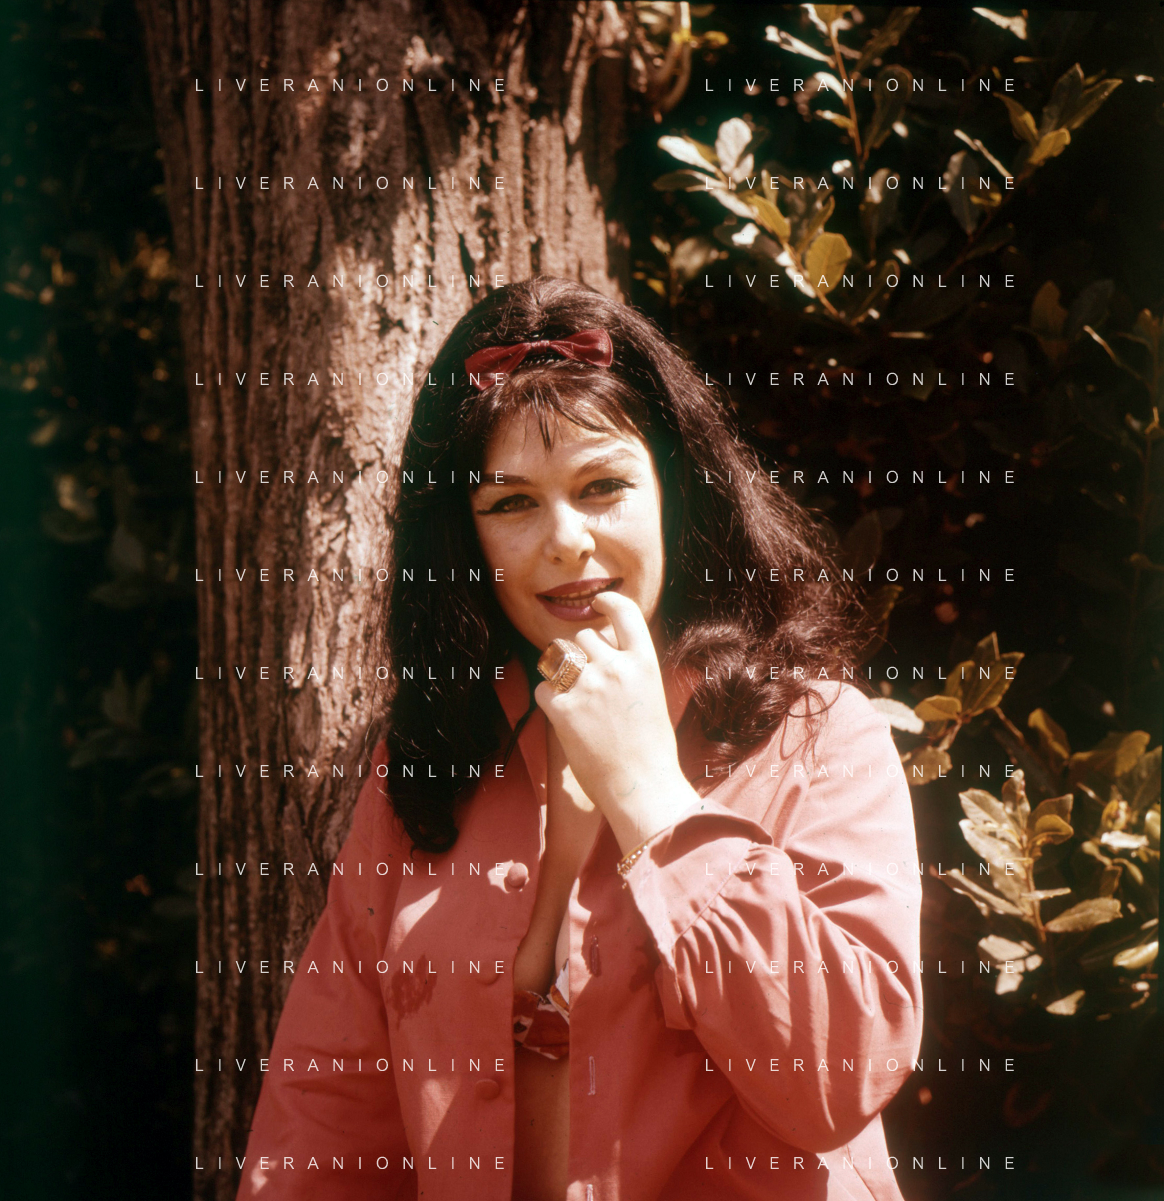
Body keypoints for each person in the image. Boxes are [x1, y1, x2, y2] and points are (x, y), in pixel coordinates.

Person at [235, 276, 923, 1201]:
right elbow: (325, 1122)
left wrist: (651, 795)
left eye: (603, 487)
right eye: (511, 503)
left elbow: (838, 1078)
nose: (565, 541)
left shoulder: (817, 735)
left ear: (677, 492)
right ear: (467, 539)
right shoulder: (429, 761)